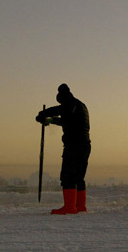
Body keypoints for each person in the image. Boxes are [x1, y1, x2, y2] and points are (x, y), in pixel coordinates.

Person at [36, 84, 90, 214]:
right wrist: (51, 120)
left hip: (74, 145)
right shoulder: (80, 106)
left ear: (62, 96)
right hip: (85, 145)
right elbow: (67, 121)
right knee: (79, 176)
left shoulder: (70, 104)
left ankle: (70, 207)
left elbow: (59, 110)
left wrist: (42, 114)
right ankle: (80, 206)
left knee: (68, 175)